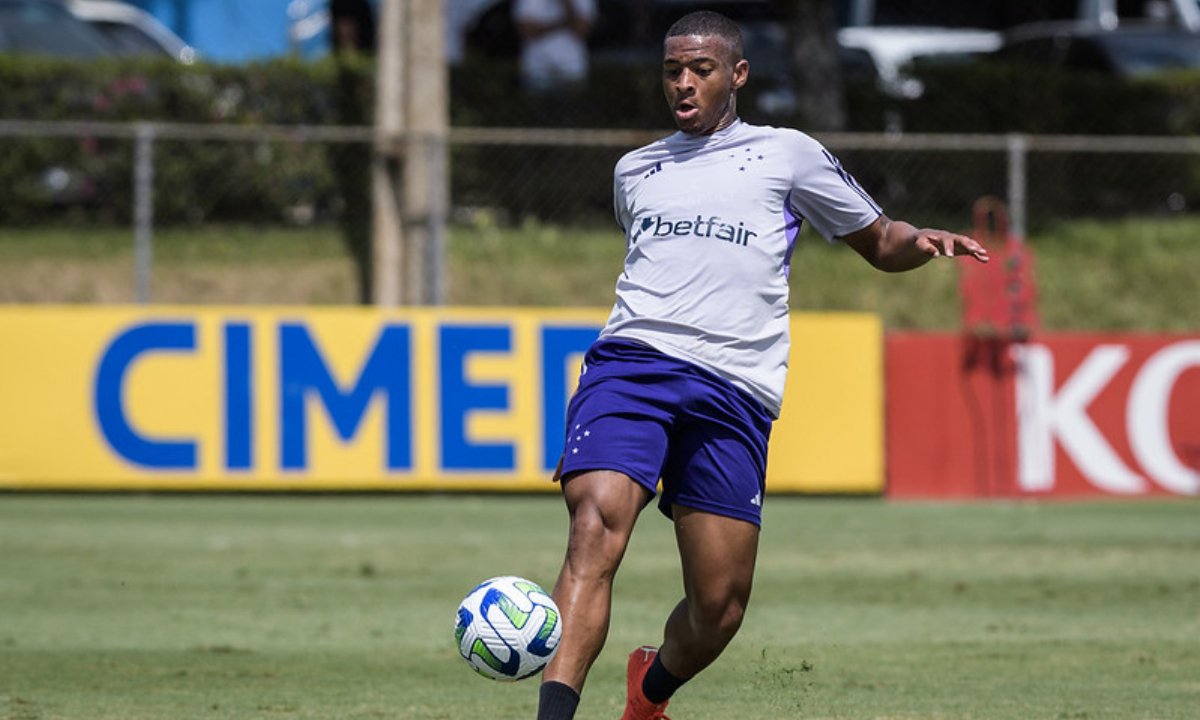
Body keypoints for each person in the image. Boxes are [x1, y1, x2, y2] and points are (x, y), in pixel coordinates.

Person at [534, 10, 990, 720]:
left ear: (737, 75)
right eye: (671, 71)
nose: (682, 85)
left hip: (734, 390)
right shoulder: (636, 169)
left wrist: (918, 241)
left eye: (700, 70)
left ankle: (648, 693)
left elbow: (879, 237)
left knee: (719, 608)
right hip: (633, 365)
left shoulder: (787, 154)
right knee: (594, 524)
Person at [512, 0, 597, 93]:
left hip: (572, 72)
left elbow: (581, 31)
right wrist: (564, 22)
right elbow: (527, 32)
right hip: (536, 72)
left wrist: (566, 4)